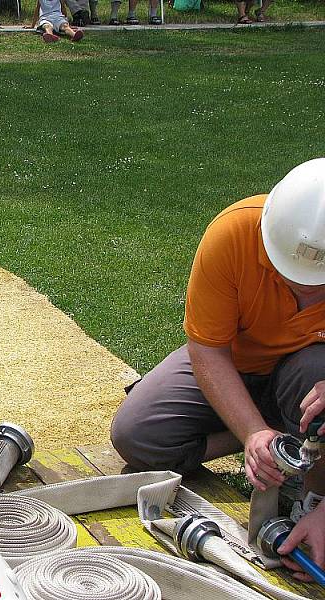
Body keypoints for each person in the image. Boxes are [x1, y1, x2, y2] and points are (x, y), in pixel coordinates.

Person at [111, 158, 325, 582]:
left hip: (308, 373)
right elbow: (207, 351)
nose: (304, 287)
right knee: (137, 435)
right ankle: (284, 441)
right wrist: (252, 434)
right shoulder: (233, 234)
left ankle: (313, 493)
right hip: (234, 362)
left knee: (316, 377)